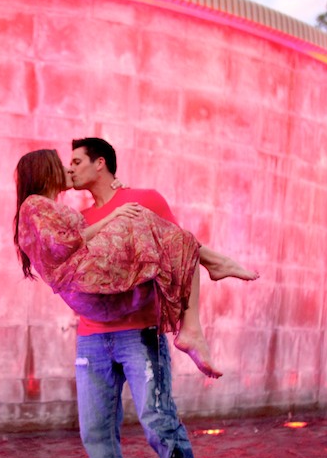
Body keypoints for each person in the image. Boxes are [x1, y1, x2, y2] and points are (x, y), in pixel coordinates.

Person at [14, 149, 225, 377]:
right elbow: (64, 244)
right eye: (64, 164)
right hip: (86, 282)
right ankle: (207, 280)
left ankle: (205, 279)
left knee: (170, 244)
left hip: (94, 294)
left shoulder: (46, 209)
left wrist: (117, 194)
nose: (69, 169)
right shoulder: (35, 204)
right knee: (150, 225)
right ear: (46, 173)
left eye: (75, 163)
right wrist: (114, 215)